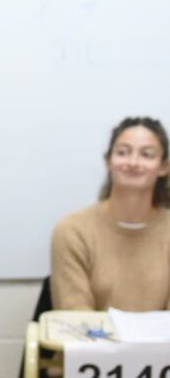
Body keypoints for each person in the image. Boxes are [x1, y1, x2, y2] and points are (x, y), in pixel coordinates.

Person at [51, 116, 170, 311]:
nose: (133, 162)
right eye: (123, 152)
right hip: (92, 341)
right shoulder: (72, 230)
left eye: (147, 155)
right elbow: (74, 317)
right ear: (108, 161)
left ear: (164, 167)